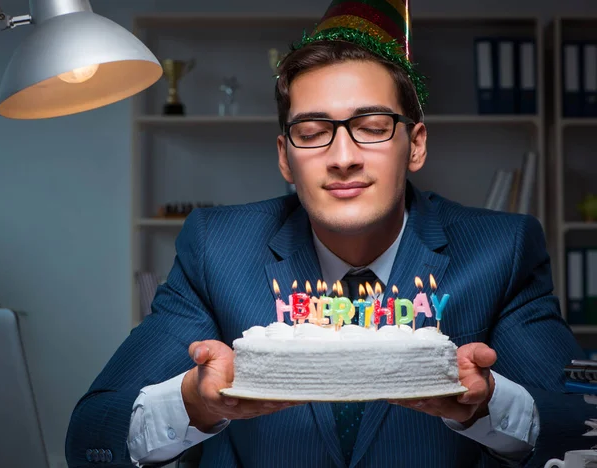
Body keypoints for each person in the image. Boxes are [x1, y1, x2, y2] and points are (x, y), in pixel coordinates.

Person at [65, 1, 596, 467]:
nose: (343, 158)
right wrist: (195, 404)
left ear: (415, 145)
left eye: (371, 127)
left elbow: (580, 428)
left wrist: (487, 406)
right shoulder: (217, 248)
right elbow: (92, 437)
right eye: (313, 132)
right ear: (285, 158)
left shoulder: (499, 252)